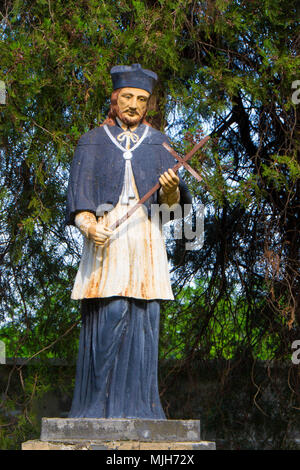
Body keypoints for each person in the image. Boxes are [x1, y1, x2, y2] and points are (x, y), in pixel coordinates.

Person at [65, 64, 192, 419]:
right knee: (111, 312)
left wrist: (169, 192)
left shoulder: (160, 143)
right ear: (115, 98)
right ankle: (95, 409)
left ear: (148, 104)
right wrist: (89, 226)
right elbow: (80, 199)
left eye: (142, 99)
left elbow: (170, 213)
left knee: (144, 318)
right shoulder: (91, 141)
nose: (134, 105)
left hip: (145, 241)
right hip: (106, 241)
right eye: (128, 97)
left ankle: (142, 409)